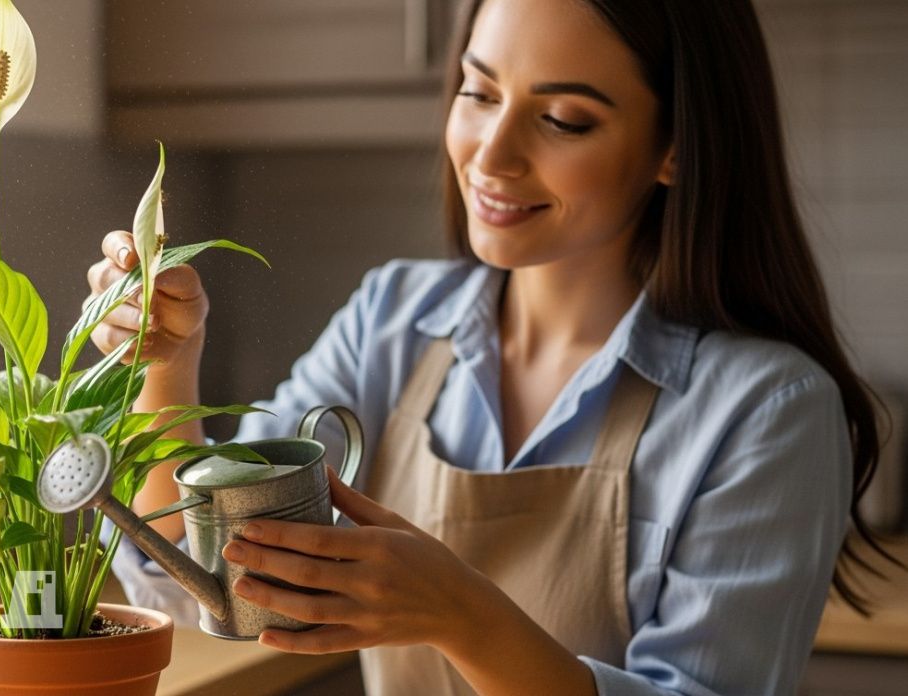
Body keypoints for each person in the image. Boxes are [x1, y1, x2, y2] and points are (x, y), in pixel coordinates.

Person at [86, 0, 892, 693]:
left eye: (563, 119)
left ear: (676, 145)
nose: (491, 155)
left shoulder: (767, 410)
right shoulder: (391, 320)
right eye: (477, 91)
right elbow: (220, 588)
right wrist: (167, 368)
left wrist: (463, 615)